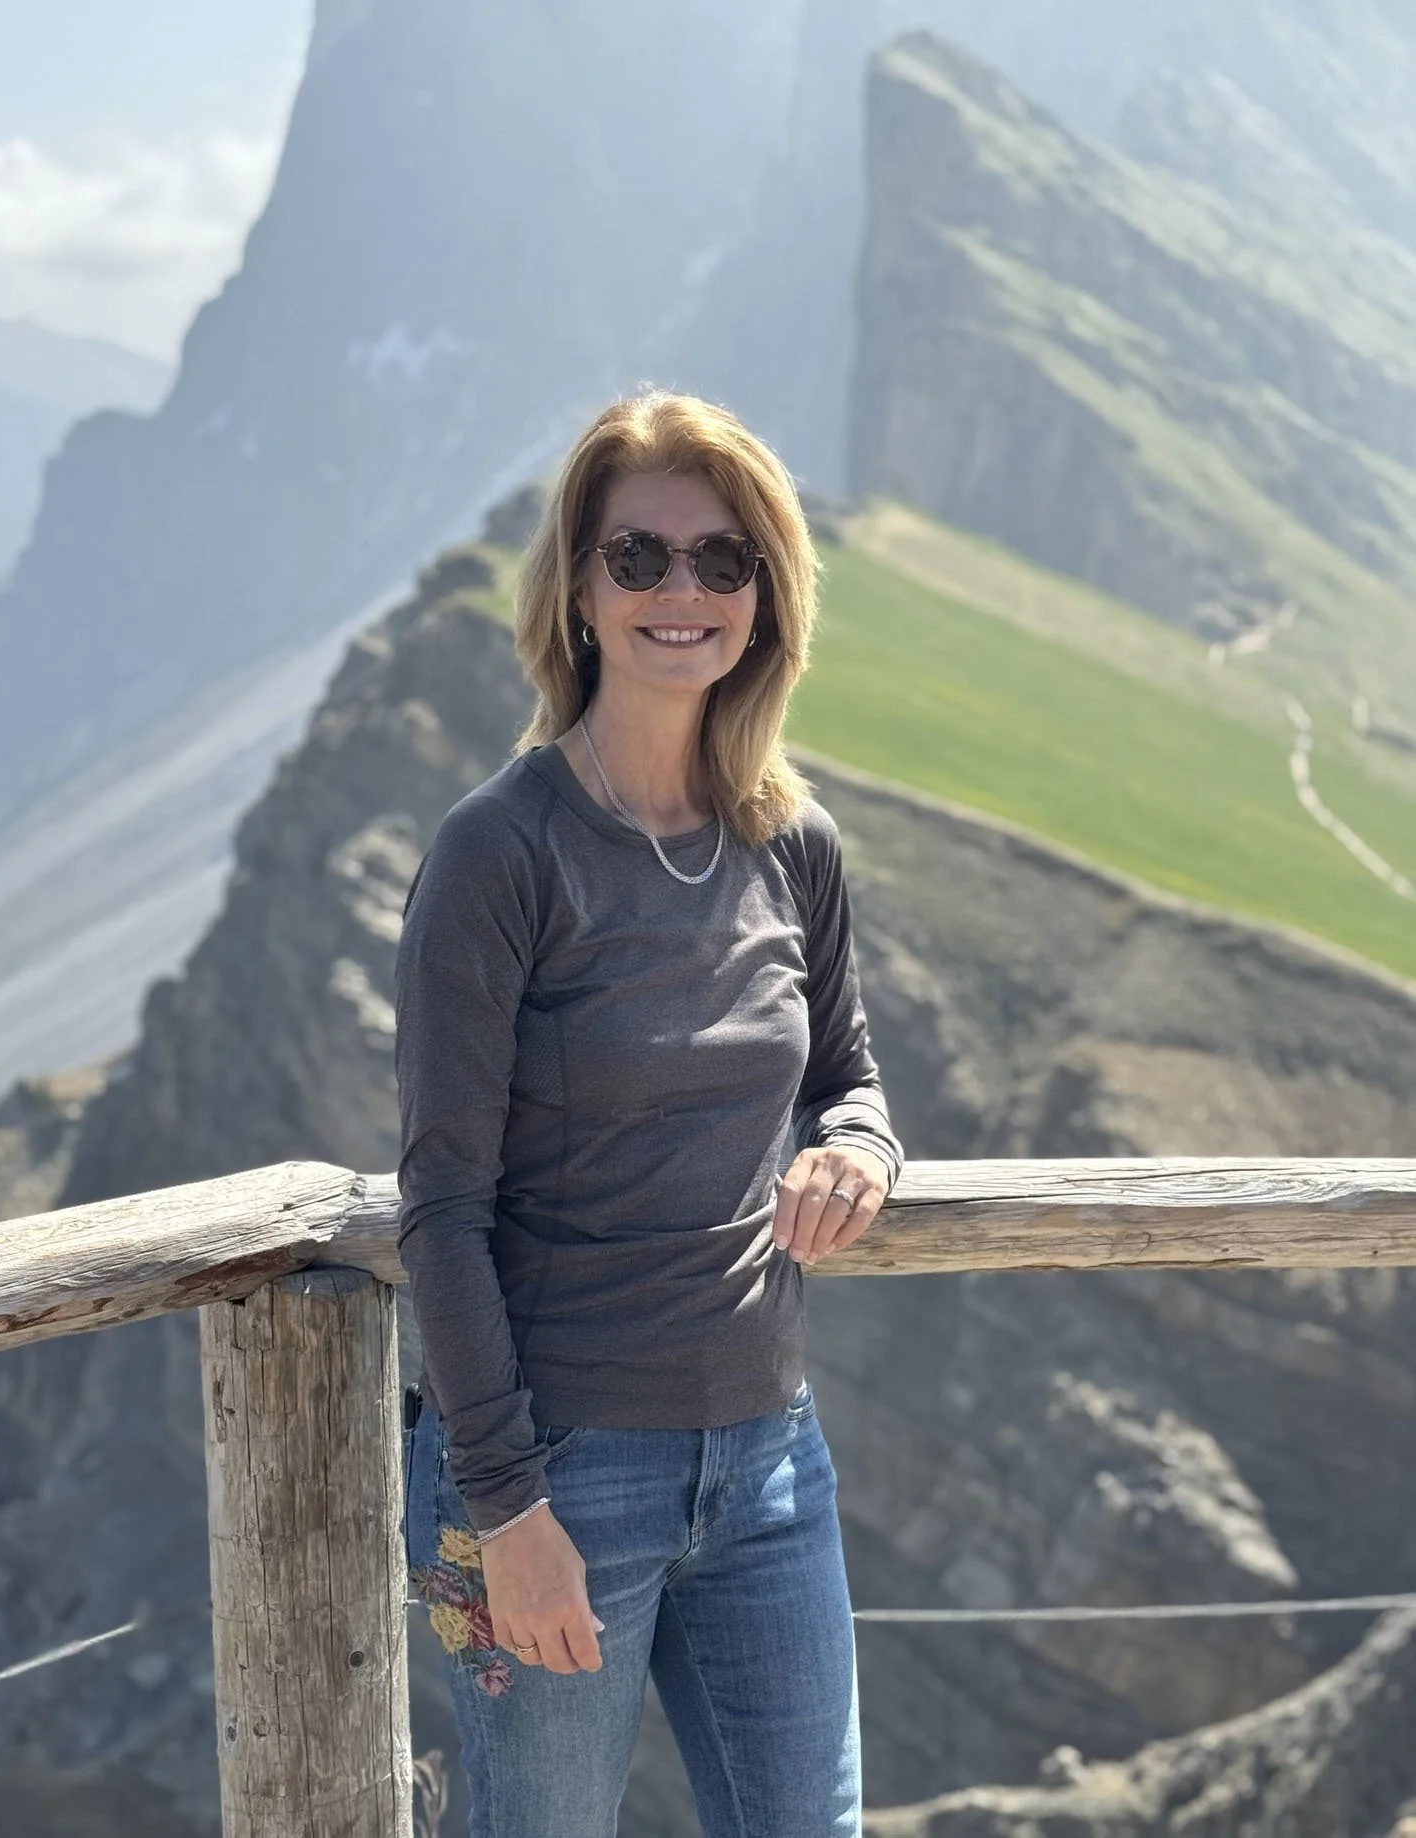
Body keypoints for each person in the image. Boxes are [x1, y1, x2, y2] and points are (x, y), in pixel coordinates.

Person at [394, 389, 904, 1837]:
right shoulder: (500, 850)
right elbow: (441, 1203)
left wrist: (856, 1148)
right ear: (577, 589)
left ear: (766, 595)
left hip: (768, 1461)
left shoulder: (789, 841)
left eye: (721, 560)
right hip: (555, 1469)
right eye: (639, 558)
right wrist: (507, 1514)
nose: (682, 591)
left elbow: (848, 1072)